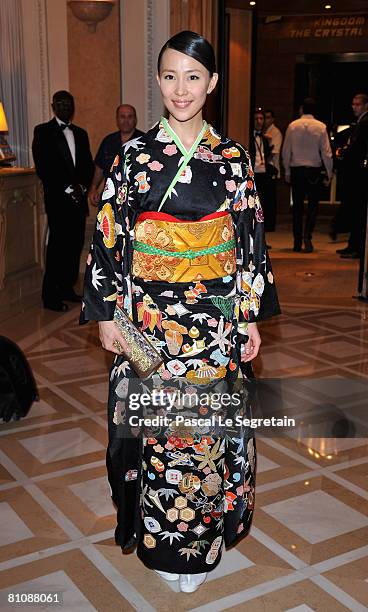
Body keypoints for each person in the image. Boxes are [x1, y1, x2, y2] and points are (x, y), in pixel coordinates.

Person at [81, 31, 280, 594]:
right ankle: (161, 544)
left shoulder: (234, 158)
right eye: (169, 76)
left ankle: (200, 545)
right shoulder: (134, 155)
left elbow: (248, 244)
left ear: (212, 83)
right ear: (159, 81)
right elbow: (110, 237)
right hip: (149, 323)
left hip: (213, 322)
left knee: (207, 437)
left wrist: (247, 316)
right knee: (160, 436)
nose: (181, 89)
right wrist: (105, 313)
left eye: (194, 77)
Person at [32, 90, 94, 311]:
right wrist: (68, 188)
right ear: (53, 106)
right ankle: (50, 296)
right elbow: (44, 166)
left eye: (69, 103)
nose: (65, 107)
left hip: (78, 201)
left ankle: (67, 289)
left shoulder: (81, 133)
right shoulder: (42, 131)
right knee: (57, 248)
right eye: (60, 103)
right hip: (59, 200)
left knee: (74, 246)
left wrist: (83, 187)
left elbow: (87, 164)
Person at [282, 97, 333, 253]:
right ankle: (307, 237)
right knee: (312, 207)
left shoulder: (292, 126)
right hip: (313, 171)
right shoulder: (321, 127)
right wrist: (329, 173)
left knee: (297, 207)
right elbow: (326, 153)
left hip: (297, 170)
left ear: (301, 109)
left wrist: (287, 170)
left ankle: (297, 241)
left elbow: (286, 151)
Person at [88, 104, 144, 207]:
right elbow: (100, 168)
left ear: (135, 119)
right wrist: (94, 188)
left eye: (130, 117)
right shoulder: (108, 141)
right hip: (110, 197)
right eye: (122, 117)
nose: (126, 120)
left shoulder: (144, 141)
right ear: (117, 119)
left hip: (135, 199)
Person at [335, 93, 368, 262]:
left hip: (358, 176)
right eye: (353, 104)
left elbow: (357, 149)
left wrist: (345, 153)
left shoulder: (364, 123)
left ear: (365, 105)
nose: (354, 107)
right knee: (356, 213)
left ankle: (357, 247)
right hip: (357, 175)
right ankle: (353, 245)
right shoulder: (360, 123)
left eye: (357, 104)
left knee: (358, 213)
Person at [249, 108, 273, 244]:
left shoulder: (264, 138)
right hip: (253, 174)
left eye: (261, 119)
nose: (259, 122)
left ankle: (261, 239)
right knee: (252, 208)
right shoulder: (249, 136)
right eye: (257, 119)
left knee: (262, 207)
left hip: (263, 174)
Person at [264, 109, 283, 231]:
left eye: (268, 117)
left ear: (273, 119)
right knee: (266, 198)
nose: (266, 120)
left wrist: (263, 161)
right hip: (265, 169)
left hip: (271, 169)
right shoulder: (264, 132)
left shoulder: (275, 132)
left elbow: (274, 152)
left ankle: (270, 225)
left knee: (270, 199)